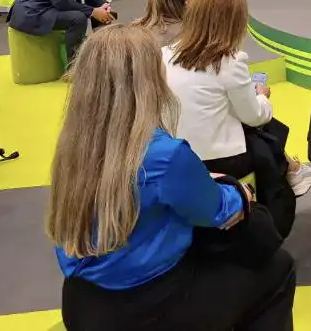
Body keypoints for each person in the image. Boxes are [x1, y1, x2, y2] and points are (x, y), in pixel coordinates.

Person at [48, 24, 296, 331]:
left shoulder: (71, 148)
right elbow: (217, 209)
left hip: (82, 301)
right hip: (151, 303)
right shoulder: (164, 155)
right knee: (277, 266)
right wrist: (240, 192)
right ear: (148, 82)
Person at [164, 0, 311, 198]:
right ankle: (291, 173)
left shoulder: (164, 55)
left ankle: (293, 170)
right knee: (264, 130)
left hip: (175, 152)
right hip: (218, 158)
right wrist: (262, 97)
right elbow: (255, 116)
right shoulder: (230, 62)